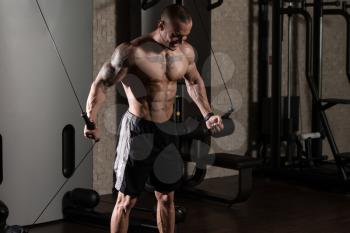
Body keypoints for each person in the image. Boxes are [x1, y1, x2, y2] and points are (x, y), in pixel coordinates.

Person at [84, 4, 224, 233]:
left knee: (167, 198)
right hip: (138, 130)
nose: (180, 40)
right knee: (126, 201)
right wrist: (91, 120)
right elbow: (101, 84)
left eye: (185, 36)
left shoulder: (185, 53)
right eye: (176, 35)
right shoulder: (132, 52)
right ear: (161, 25)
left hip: (168, 131)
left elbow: (194, 81)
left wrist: (207, 114)